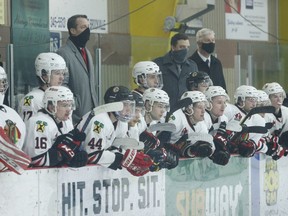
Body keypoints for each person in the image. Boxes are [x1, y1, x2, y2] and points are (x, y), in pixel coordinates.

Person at [76, 85, 153, 176]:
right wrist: (122, 158)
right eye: (125, 105)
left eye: (130, 105)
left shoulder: (121, 122)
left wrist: (129, 157)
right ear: (112, 104)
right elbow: (92, 155)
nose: (129, 110)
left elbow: (116, 148)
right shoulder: (99, 121)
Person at [22, 86, 87, 167]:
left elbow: (66, 150)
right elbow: (36, 159)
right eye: (64, 105)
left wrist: (73, 157)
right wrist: (61, 154)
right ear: (51, 106)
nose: (69, 109)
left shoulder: (66, 122)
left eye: (70, 105)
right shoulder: (40, 123)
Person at [57, 14, 98, 124]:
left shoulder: (87, 52)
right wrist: (75, 104)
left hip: (91, 113)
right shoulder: (63, 53)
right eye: (83, 27)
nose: (87, 30)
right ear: (73, 30)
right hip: (75, 116)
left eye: (88, 27)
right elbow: (61, 84)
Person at [18, 52, 66, 123]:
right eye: (57, 73)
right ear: (44, 75)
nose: (62, 78)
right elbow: (30, 131)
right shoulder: (32, 100)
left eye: (63, 73)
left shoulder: (64, 97)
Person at [153, 33, 198, 108]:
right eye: (182, 47)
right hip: (163, 107)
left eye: (187, 47)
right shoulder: (158, 64)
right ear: (173, 47)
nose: (185, 50)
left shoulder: (192, 66)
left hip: (185, 109)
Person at [224, 85, 266, 157]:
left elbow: (254, 142)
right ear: (240, 100)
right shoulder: (229, 110)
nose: (254, 103)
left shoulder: (259, 120)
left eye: (255, 100)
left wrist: (250, 147)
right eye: (251, 100)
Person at [0, 66, 27, 172]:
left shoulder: (11, 113)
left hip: (10, 173)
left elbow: (20, 145)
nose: (2, 86)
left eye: (3, 82)